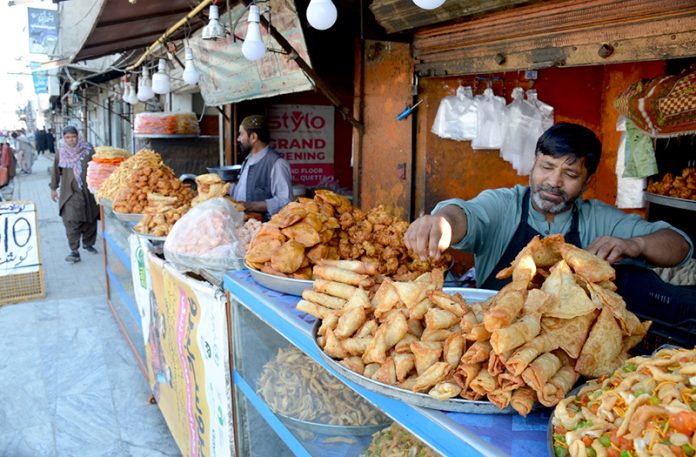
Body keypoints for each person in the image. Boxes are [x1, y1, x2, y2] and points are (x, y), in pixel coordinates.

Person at [405, 123, 693, 290]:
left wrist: (636, 245)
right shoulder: (504, 205)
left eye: (570, 175)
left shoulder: (598, 219)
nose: (554, 182)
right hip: (494, 345)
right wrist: (442, 222)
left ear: (587, 181)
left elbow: (680, 246)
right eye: (546, 167)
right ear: (533, 164)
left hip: (570, 354)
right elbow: (464, 214)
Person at [50, 126, 100, 263]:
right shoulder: (61, 153)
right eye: (67, 137)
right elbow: (55, 171)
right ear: (63, 138)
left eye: (73, 137)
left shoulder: (88, 149)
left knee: (90, 217)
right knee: (71, 219)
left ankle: (88, 244)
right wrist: (53, 188)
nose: (71, 140)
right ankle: (74, 250)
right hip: (69, 192)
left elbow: (97, 167)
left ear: (78, 136)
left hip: (88, 191)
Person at [230, 115, 293, 220]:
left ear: (253, 137)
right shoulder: (248, 159)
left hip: (264, 230)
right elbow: (242, 190)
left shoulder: (277, 164)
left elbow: (286, 201)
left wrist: (251, 205)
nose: (238, 139)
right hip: (245, 225)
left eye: (241, 134)